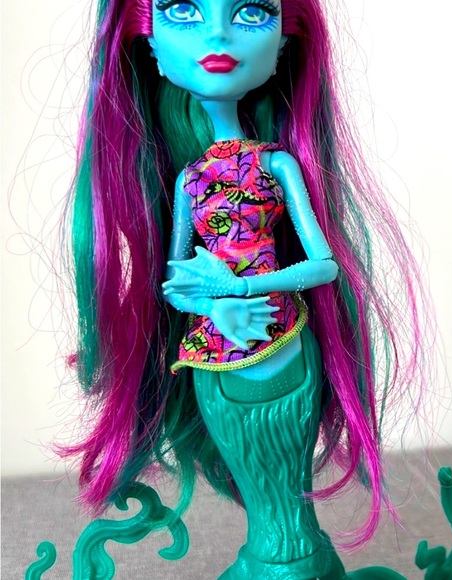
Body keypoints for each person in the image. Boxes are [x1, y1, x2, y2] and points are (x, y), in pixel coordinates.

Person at [61, 0, 432, 576]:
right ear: (149, 44)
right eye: (182, 10)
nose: (217, 33)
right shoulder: (190, 180)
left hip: (279, 332)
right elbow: (176, 282)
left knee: (286, 473)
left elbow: (323, 266)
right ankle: (275, 555)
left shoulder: (277, 166)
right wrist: (216, 305)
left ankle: (290, 557)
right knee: (254, 472)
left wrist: (241, 285)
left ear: (284, 44)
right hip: (215, 351)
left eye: (252, 12)